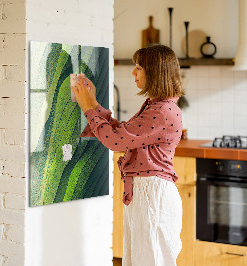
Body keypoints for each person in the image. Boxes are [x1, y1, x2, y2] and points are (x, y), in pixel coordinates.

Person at [72, 44, 184, 266]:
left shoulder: (161, 111)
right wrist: (93, 104)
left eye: (139, 67)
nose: (133, 72)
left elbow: (115, 141)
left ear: (155, 72)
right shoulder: (157, 106)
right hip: (147, 193)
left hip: (152, 195)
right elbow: (123, 133)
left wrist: (87, 108)